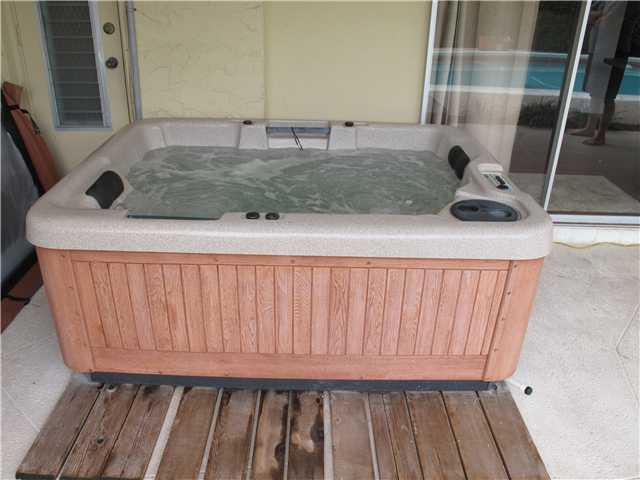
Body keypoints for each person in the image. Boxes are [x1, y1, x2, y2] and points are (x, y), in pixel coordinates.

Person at [570, 1, 640, 146]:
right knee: (595, 90)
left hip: (616, 49)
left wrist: (600, 16)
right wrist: (600, 15)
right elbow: (589, 15)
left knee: (608, 95)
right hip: (599, 45)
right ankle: (590, 128)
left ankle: (600, 135)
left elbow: (610, 20)